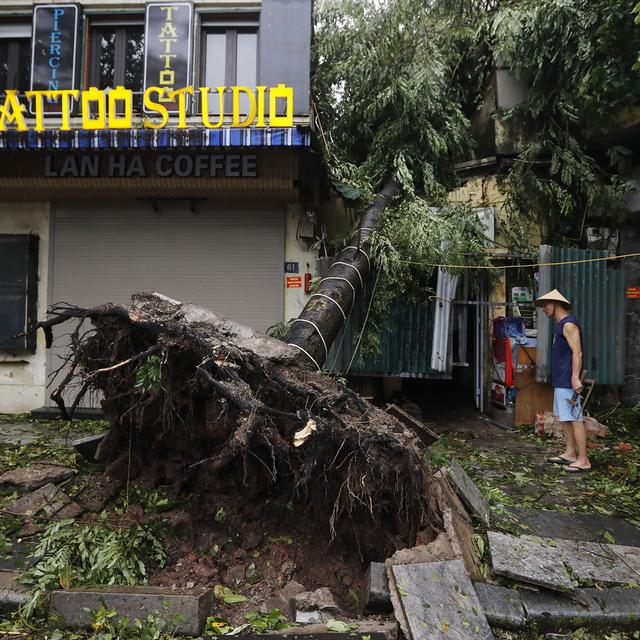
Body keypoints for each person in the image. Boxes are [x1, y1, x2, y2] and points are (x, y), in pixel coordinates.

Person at [535, 289, 591, 473]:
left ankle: (583, 460)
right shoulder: (560, 325)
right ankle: (570, 453)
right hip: (561, 379)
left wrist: (575, 378)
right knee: (565, 418)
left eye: (546, 305)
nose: (544, 309)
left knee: (575, 418)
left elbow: (578, 352)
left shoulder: (569, 325)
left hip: (568, 381)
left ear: (556, 304)